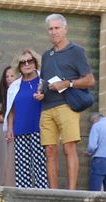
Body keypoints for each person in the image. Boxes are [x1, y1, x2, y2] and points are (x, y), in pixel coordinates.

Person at [38, 13, 95, 190]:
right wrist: (40, 91)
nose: (54, 32)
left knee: (69, 148)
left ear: (65, 29)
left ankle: (71, 192)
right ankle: (53, 191)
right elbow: (44, 80)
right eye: (51, 29)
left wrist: (68, 83)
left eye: (57, 28)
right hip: (47, 107)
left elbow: (90, 80)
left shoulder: (76, 51)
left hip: (66, 106)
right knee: (49, 151)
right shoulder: (46, 55)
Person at [5, 49, 49, 189]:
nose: (26, 64)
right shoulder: (14, 86)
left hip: (40, 130)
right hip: (20, 130)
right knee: (22, 168)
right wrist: (10, 128)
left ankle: (43, 196)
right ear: (19, 66)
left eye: (30, 61)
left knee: (40, 165)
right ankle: (23, 199)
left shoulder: (44, 80)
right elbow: (11, 109)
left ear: (35, 62)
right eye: (23, 62)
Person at [0, 66, 17, 186]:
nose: (9, 79)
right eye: (7, 76)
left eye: (12, 76)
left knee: (12, 161)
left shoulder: (20, 94)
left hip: (16, 130)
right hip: (0, 131)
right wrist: (7, 120)